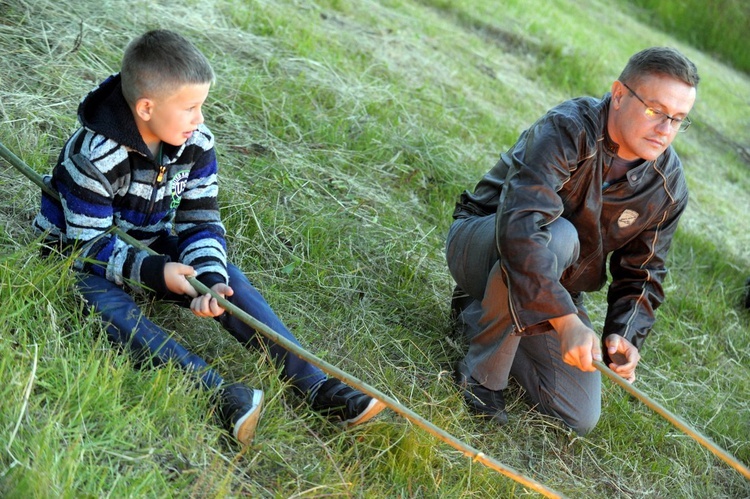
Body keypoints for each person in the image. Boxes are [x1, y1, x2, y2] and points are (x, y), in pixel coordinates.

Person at [33, 29, 385, 445]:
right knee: (103, 303)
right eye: (191, 107)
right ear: (146, 107)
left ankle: (315, 384)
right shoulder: (94, 156)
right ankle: (218, 393)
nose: (200, 118)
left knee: (229, 280)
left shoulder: (194, 143)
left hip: (151, 241)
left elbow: (200, 222)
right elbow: (87, 246)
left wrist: (209, 274)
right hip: (79, 254)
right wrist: (156, 273)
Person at [446, 47, 699, 435]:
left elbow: (644, 272)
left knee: (577, 413)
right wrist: (565, 322)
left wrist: (623, 335)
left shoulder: (668, 186)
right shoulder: (568, 128)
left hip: (555, 284)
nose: (665, 128)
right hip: (481, 244)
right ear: (618, 94)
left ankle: (478, 314)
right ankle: (481, 381)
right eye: (655, 110)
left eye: (678, 119)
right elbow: (520, 229)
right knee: (557, 234)